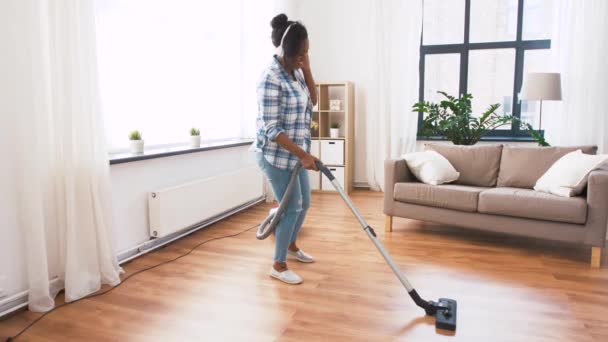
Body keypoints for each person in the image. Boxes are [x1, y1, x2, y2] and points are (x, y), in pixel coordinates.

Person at [252, 13, 318, 285]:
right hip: (276, 156)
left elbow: (312, 100)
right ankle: (278, 266)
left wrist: (308, 66)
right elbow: (272, 129)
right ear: (287, 52)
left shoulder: (296, 72)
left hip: (297, 154)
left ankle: (290, 245)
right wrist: (303, 155)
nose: (304, 56)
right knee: (291, 208)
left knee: (305, 204)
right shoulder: (270, 78)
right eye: (301, 52)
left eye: (307, 52)